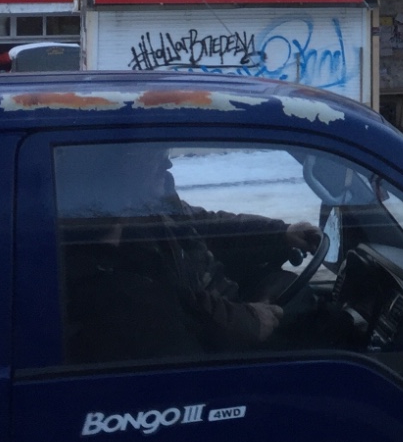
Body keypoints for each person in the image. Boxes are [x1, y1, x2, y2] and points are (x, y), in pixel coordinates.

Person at [58, 144, 323, 361]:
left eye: (165, 152)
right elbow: (178, 307)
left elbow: (205, 225)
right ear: (124, 169)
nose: (167, 164)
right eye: (155, 155)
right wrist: (249, 320)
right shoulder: (121, 248)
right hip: (216, 342)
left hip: (225, 314)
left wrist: (279, 233)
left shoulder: (150, 203)